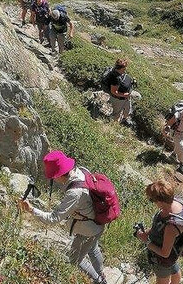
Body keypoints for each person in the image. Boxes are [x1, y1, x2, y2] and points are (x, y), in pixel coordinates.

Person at [18, 150, 107, 284]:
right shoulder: (82, 171)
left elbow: (53, 219)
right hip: (98, 223)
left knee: (74, 260)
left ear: (59, 175)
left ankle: (99, 281)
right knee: (93, 248)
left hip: (88, 230)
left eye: (53, 176)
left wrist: (31, 209)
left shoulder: (74, 193)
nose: (53, 179)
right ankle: (102, 275)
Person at [136, 180, 183, 284]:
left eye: (152, 200)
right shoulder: (177, 202)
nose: (152, 202)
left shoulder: (171, 226)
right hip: (174, 251)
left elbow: (164, 253)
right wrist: (147, 232)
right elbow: (160, 227)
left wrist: (147, 242)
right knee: (174, 268)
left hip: (162, 260)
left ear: (160, 201)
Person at [108, 59, 134, 125]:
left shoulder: (120, 73)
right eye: (124, 68)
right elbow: (113, 91)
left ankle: (124, 119)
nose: (125, 70)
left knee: (127, 109)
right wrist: (124, 95)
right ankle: (115, 125)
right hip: (118, 99)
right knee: (117, 113)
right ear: (120, 68)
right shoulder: (115, 78)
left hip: (126, 96)